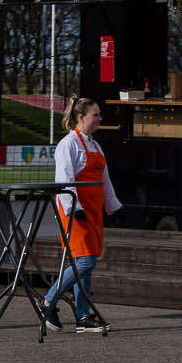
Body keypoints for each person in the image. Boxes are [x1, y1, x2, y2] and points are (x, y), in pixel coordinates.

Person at [39, 95, 122, 334]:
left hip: (93, 212)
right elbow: (64, 181)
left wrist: (113, 206)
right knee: (85, 261)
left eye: (99, 115)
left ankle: (83, 317)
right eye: (95, 115)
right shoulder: (69, 144)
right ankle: (47, 301)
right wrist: (75, 209)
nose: (99, 119)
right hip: (74, 211)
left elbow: (104, 180)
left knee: (83, 264)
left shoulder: (95, 145)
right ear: (81, 116)